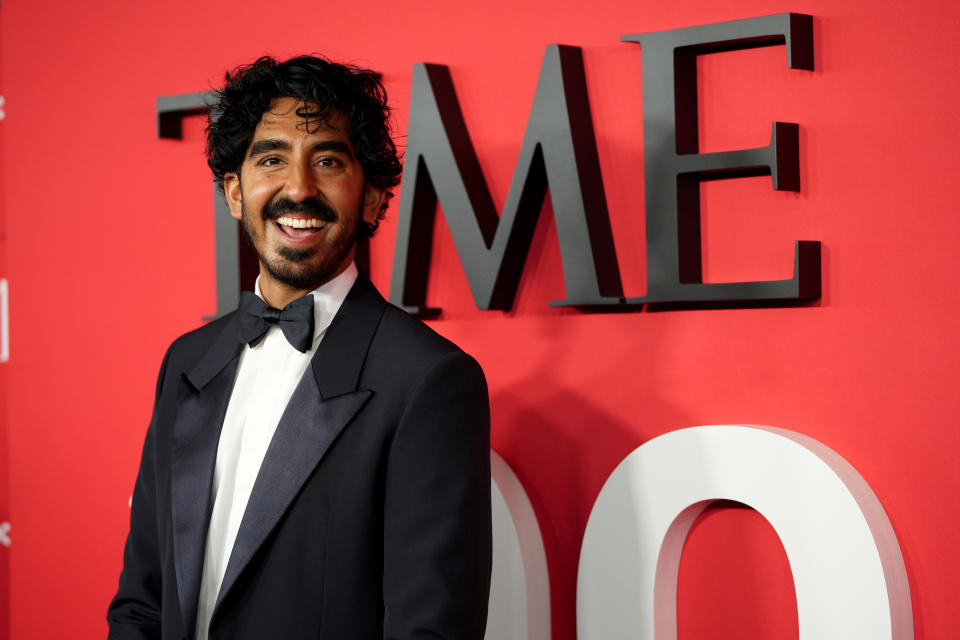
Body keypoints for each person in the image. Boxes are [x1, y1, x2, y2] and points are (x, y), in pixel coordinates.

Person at [107, 55, 492, 640]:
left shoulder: (428, 380)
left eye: (329, 161)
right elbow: (142, 602)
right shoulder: (186, 362)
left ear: (372, 198)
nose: (299, 188)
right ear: (235, 192)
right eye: (271, 159)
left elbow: (431, 630)